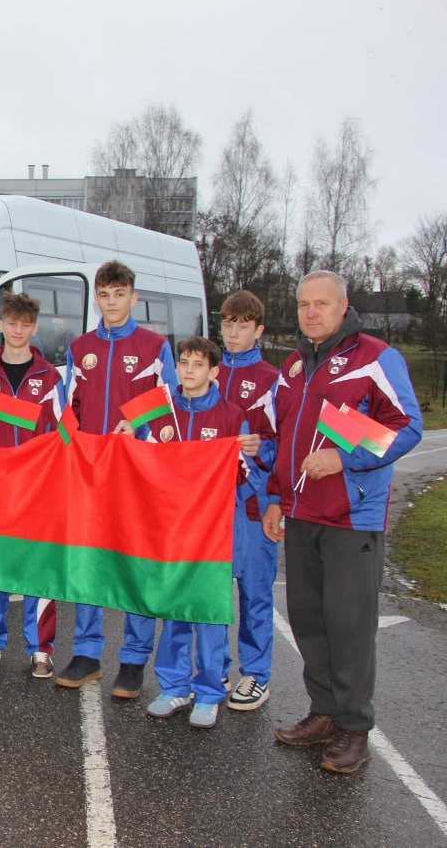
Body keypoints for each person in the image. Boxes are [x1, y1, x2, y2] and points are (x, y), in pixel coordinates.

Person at [264, 270, 422, 774]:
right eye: (304, 304)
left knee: (348, 624)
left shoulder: (375, 357)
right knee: (309, 620)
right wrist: (275, 497)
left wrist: (345, 457)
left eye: (322, 303)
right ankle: (325, 712)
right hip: (301, 513)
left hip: (352, 517)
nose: (311, 312)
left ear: (343, 305)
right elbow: (281, 437)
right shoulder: (293, 365)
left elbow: (408, 425)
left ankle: (355, 727)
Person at [56, 260, 178, 696]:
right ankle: (87, 652)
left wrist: (139, 428)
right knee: (88, 562)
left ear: (133, 298)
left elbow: (169, 405)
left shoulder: (154, 347)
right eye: (104, 295)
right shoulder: (80, 348)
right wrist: (70, 451)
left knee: (133, 563)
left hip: (136, 474)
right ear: (97, 299)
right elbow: (68, 409)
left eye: (119, 294)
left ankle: (133, 660)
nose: (111, 302)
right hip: (90, 473)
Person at [139, 336, 251, 728]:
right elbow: (144, 463)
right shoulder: (161, 413)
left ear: (214, 371)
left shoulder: (231, 416)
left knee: (208, 614)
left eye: (198, 364)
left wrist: (239, 461)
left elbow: (244, 474)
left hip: (211, 534)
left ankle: (208, 692)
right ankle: (174, 686)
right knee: (173, 611)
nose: (188, 370)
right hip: (171, 530)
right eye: (184, 362)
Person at [0, 291, 64, 677]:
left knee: (39, 567)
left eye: (25, 324)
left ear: (34, 328)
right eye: (12, 323)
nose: (18, 330)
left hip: (38, 489)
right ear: (1, 325)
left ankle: (40, 648)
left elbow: (64, 434)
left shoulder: (50, 378)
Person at [217, 290, 280, 710]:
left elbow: (285, 441)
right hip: (211, 502)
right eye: (228, 324)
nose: (233, 333)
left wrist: (263, 449)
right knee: (214, 587)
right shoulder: (208, 369)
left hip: (253, 501)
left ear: (258, 331)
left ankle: (256, 674)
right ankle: (215, 667)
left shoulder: (273, 379)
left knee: (255, 591)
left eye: (242, 325)